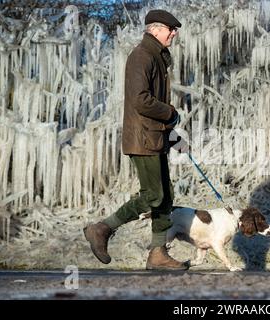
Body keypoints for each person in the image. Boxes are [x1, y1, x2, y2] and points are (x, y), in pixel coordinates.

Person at [83, 9, 188, 270]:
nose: (173, 33)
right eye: (170, 29)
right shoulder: (142, 56)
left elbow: (152, 107)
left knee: (165, 197)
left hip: (154, 137)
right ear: (155, 29)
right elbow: (141, 100)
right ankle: (102, 228)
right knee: (153, 195)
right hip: (143, 139)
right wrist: (171, 113)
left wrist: (172, 135)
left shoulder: (157, 57)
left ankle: (158, 254)